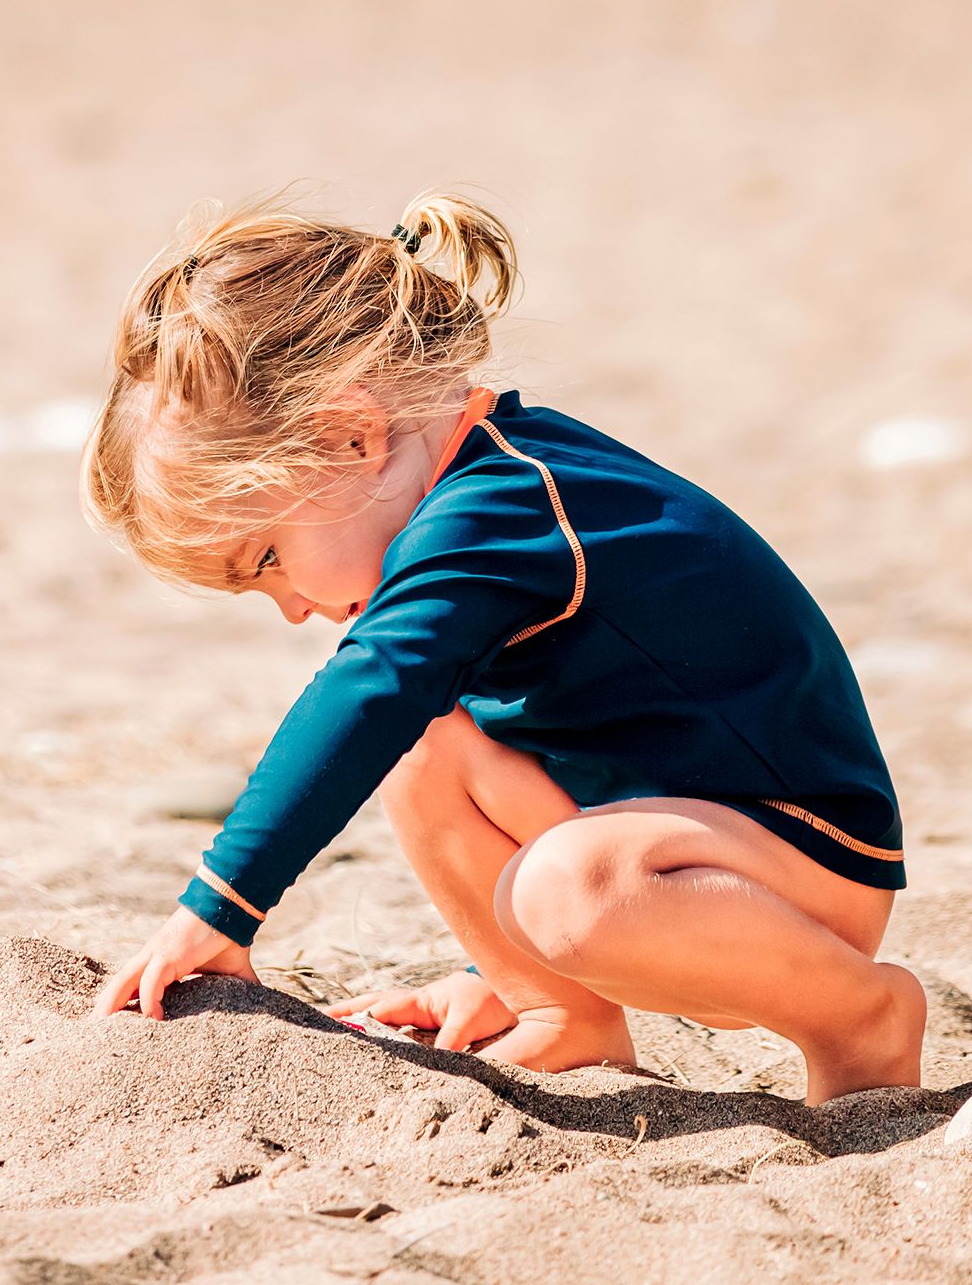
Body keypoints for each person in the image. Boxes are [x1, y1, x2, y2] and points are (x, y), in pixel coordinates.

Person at [78, 189, 926, 1105]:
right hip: (675, 848)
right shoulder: (482, 488)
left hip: (802, 866)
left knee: (557, 877)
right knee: (429, 746)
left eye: (270, 559)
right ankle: (563, 1017)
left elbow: (369, 688)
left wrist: (219, 907)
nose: (292, 608)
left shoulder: (506, 508)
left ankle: (860, 1020)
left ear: (351, 434)